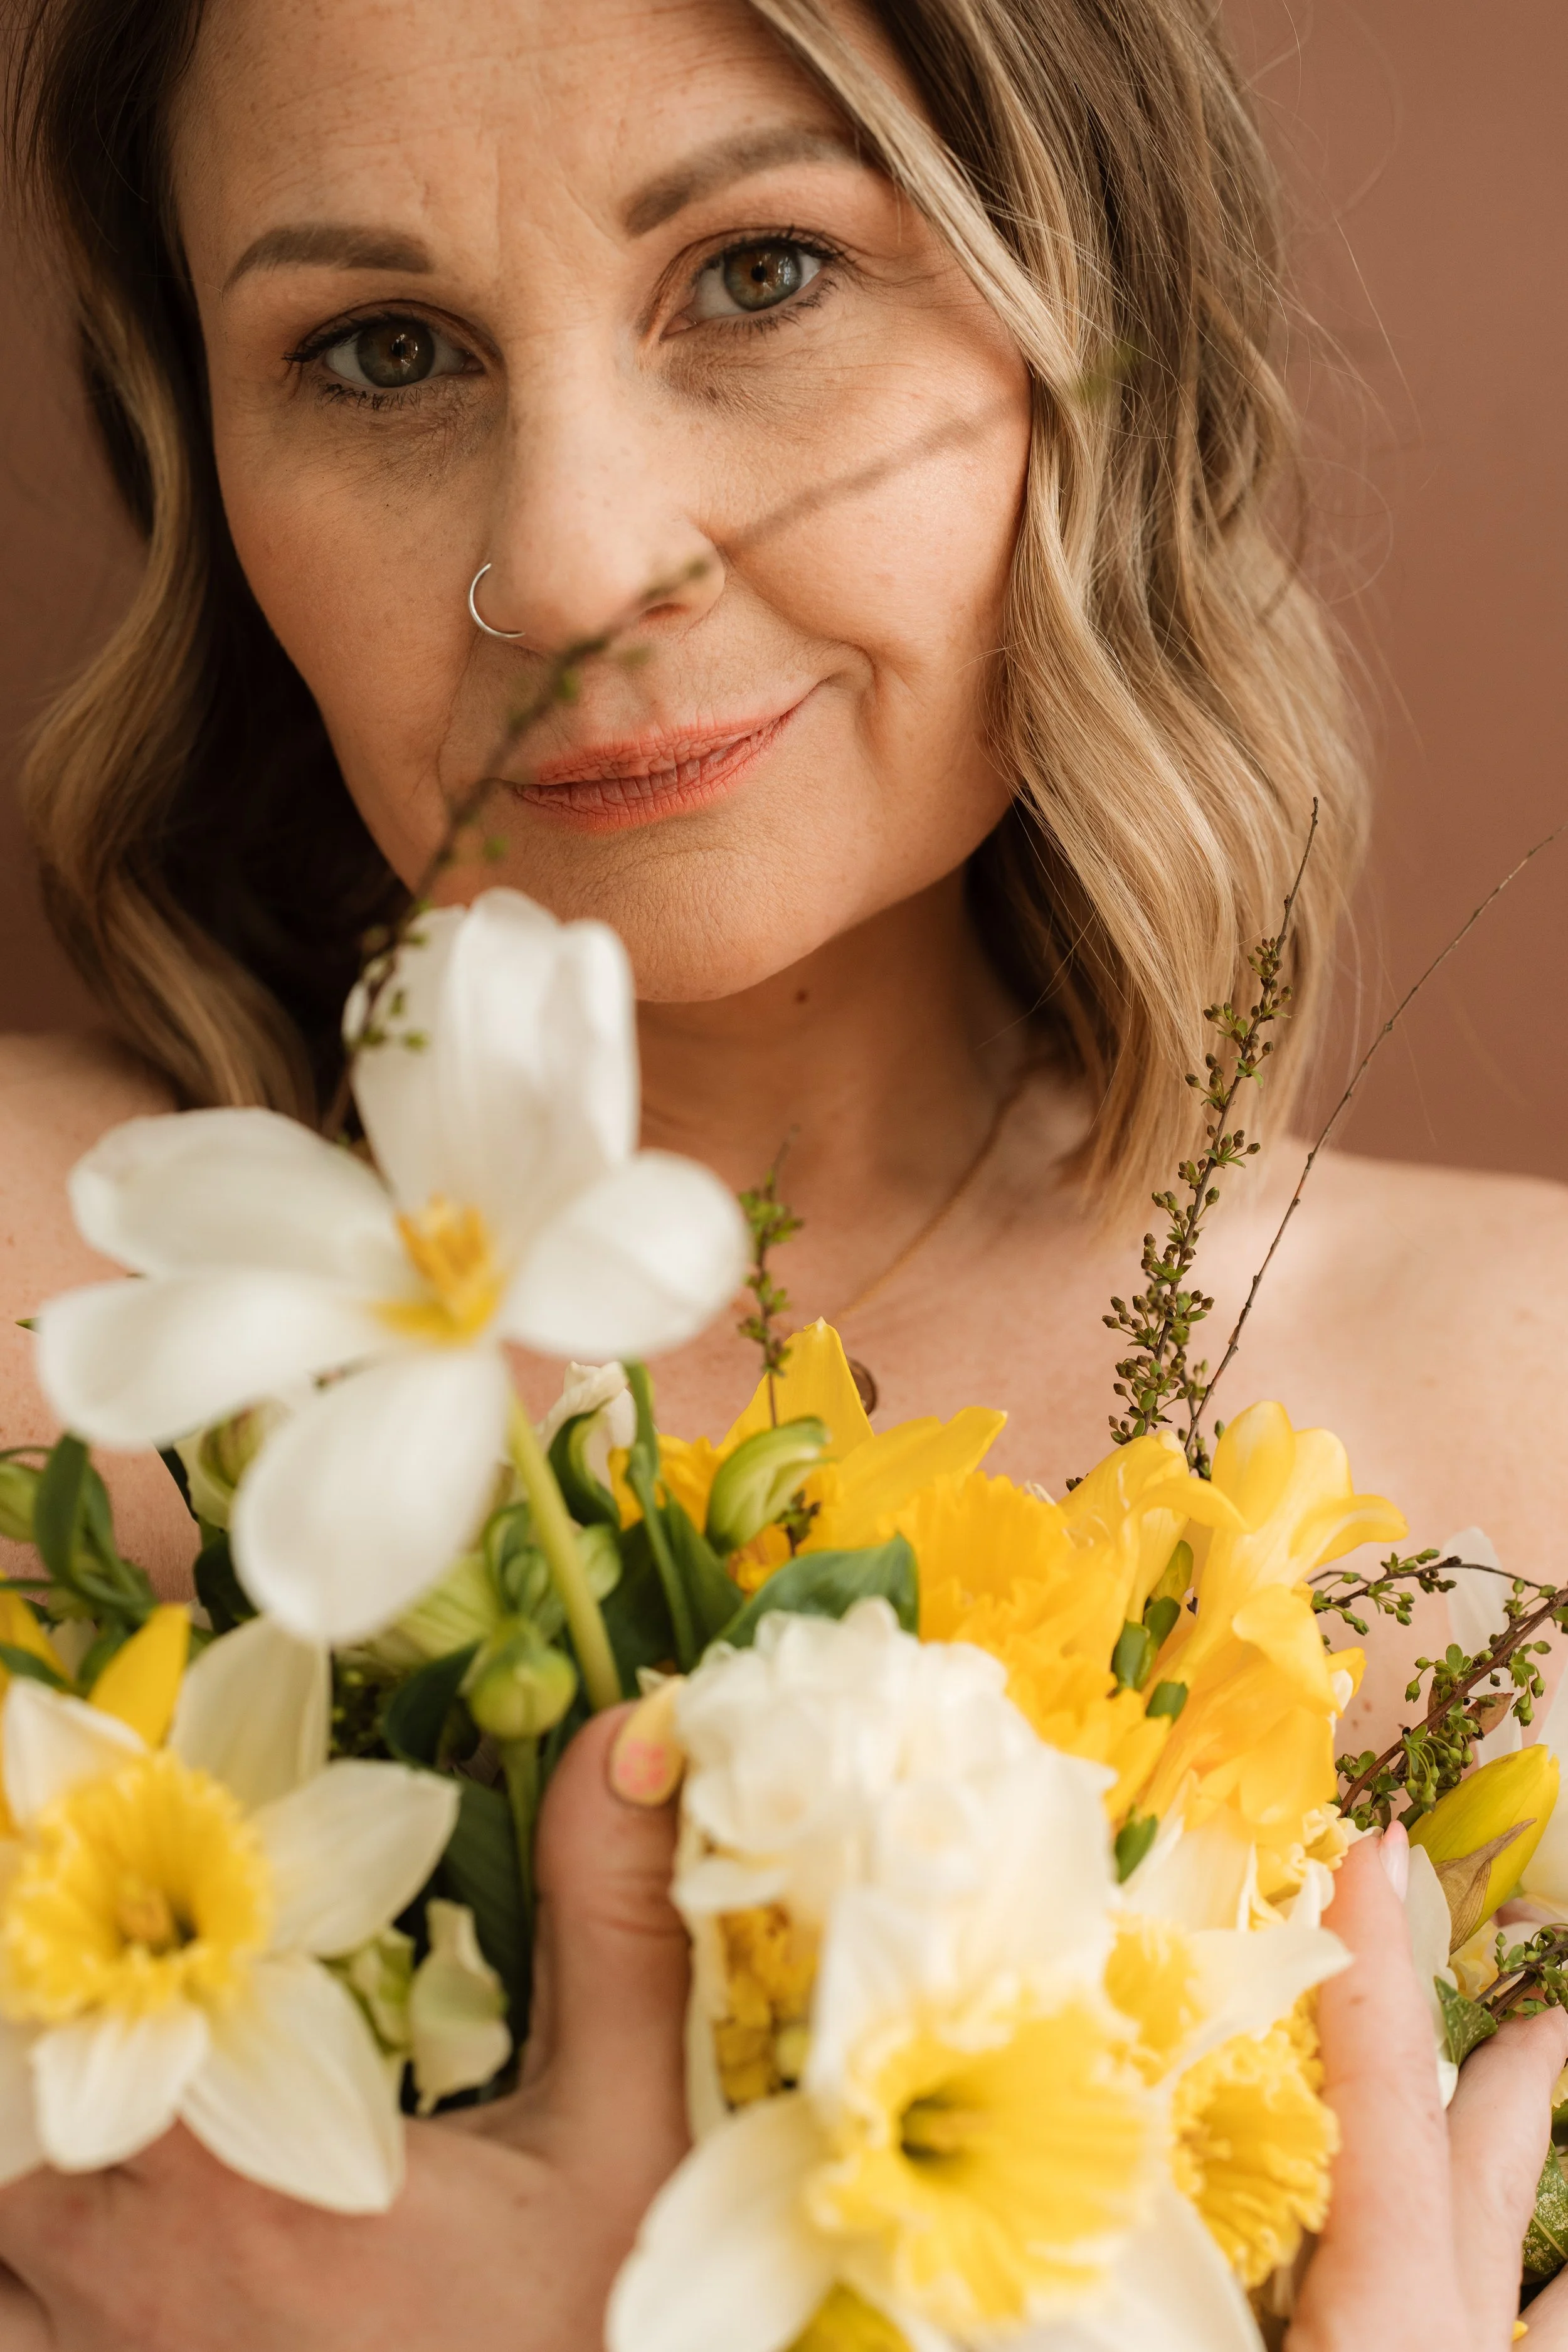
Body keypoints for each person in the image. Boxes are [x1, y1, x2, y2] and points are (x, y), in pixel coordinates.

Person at [1, 0, 1565, 2340]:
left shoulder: (1521, 1422)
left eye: (756, 277)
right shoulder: (48, 1291)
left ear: (1092, 324)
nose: (568, 558)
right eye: (384, 349)